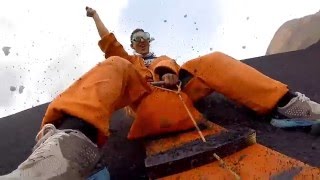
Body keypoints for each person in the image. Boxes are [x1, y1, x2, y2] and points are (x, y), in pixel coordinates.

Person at [2, 6, 320, 180]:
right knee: (113, 65)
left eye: (144, 37)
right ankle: (63, 157)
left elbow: (183, 69)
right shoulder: (130, 60)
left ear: (150, 40)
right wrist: (96, 18)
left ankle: (289, 105)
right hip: (144, 97)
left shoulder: (164, 57)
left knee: (211, 61)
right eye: (135, 37)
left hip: (181, 92)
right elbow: (109, 44)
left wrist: (168, 71)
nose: (140, 41)